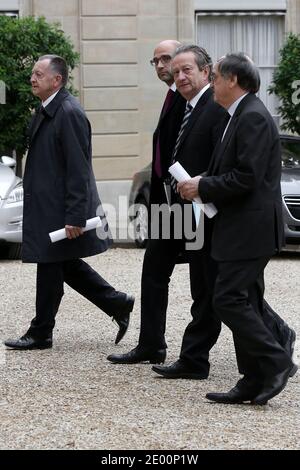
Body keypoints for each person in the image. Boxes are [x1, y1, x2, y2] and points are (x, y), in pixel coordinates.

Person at [178, 53, 296, 404]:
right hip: (238, 226)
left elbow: (248, 176)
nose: (211, 83)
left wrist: (203, 186)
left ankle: (276, 361)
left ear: (233, 80)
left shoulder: (253, 117)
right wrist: (203, 183)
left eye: (214, 77)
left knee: (227, 299)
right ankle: (251, 378)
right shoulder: (237, 114)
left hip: (251, 229)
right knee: (247, 299)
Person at [107, 44, 226, 379]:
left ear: (204, 70)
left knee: (211, 281)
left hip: (194, 203)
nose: (165, 67)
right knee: (155, 270)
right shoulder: (176, 97)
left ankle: (273, 336)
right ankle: (151, 343)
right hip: (166, 201)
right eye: (160, 62)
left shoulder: (199, 99)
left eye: (171, 61)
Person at [4, 55, 134, 350]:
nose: (32, 79)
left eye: (38, 74)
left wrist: (76, 215)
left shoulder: (69, 112)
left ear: (57, 80)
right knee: (59, 264)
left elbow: (79, 169)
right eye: (33, 74)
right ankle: (116, 302)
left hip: (61, 208)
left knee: (52, 264)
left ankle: (41, 331)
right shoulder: (46, 109)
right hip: (48, 205)